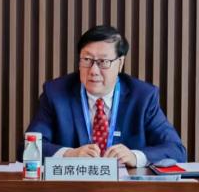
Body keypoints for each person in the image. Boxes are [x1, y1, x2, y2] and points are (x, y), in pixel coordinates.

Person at [24, 25, 186, 167]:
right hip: (72, 187)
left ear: (120, 63)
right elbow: (28, 148)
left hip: (126, 188)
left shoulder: (142, 97)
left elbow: (176, 149)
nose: (93, 70)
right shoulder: (56, 93)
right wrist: (69, 154)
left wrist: (135, 157)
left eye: (103, 62)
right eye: (87, 60)